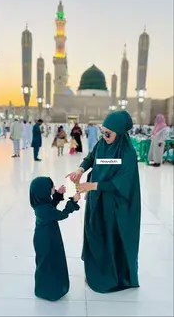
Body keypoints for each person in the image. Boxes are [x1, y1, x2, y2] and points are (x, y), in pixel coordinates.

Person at [66, 110, 141, 293]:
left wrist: (93, 186)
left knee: (109, 237)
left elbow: (119, 183)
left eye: (108, 133)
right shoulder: (103, 144)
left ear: (120, 133)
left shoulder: (127, 153)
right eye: (103, 131)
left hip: (115, 206)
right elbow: (93, 158)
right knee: (94, 234)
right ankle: (94, 271)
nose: (104, 136)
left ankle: (111, 277)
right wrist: (80, 169)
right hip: (97, 199)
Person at [30, 176, 80, 301]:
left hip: (46, 236)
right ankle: (50, 290)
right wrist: (73, 202)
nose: (53, 188)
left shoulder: (40, 204)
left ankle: (46, 287)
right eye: (51, 187)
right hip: (47, 240)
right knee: (50, 263)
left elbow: (51, 206)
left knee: (48, 263)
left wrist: (57, 195)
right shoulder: (44, 209)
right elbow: (60, 215)